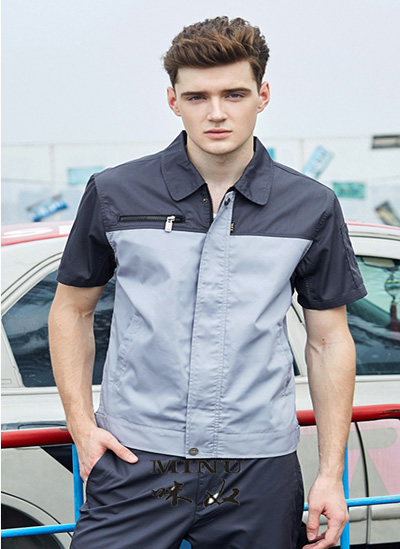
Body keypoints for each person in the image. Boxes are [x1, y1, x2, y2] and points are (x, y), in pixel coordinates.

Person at [48, 16, 367, 549]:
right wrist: (82, 429)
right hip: (135, 458)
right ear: (173, 101)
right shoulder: (115, 192)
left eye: (234, 94)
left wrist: (331, 475)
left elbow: (329, 340)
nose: (216, 112)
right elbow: (70, 310)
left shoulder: (311, 205)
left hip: (259, 468)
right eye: (197, 97)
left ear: (263, 96)